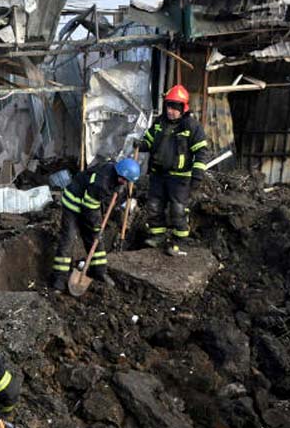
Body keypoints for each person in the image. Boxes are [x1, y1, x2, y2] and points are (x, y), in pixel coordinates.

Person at [135, 84, 210, 256]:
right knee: (154, 207)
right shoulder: (160, 123)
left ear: (183, 108)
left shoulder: (192, 127)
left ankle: (179, 241)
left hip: (180, 178)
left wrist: (197, 175)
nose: (171, 111)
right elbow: (149, 140)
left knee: (178, 210)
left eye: (175, 107)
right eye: (169, 106)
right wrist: (142, 144)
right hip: (158, 175)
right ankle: (158, 236)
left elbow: (201, 152)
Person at [50, 158, 141, 291]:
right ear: (118, 173)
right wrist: (97, 227)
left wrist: (97, 228)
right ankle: (59, 278)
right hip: (73, 205)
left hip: (88, 205)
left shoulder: (116, 176)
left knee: (96, 239)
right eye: (124, 180)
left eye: (127, 181)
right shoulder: (101, 183)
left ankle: (99, 271)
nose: (125, 183)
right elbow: (90, 208)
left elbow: (100, 204)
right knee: (68, 239)